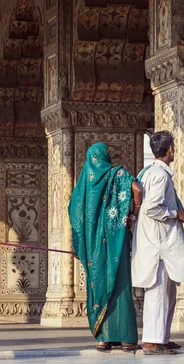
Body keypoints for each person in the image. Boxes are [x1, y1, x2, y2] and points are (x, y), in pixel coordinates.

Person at [69, 142, 142, 353]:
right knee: (120, 286)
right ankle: (126, 339)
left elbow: (74, 213)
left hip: (93, 248)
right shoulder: (117, 174)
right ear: (106, 156)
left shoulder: (84, 183)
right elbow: (137, 189)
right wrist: (133, 214)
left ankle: (103, 339)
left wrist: (80, 243)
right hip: (116, 243)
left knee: (98, 286)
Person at [131, 131, 184, 355]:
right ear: (170, 150)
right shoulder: (159, 175)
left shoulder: (151, 172)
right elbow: (152, 208)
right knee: (157, 292)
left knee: (167, 292)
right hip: (159, 244)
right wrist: (178, 214)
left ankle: (162, 338)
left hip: (160, 242)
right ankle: (151, 341)